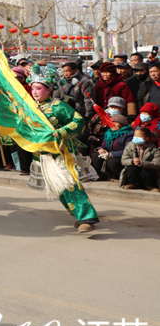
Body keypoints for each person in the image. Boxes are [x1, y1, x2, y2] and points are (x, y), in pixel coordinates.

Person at [24, 65, 100, 233]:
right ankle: (79, 215)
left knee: (70, 184)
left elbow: (79, 121)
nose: (34, 92)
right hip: (43, 155)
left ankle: (87, 217)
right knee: (58, 188)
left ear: (49, 89)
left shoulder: (57, 106)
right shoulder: (31, 109)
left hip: (61, 153)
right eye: (33, 88)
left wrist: (62, 131)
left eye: (39, 88)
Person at [92, 108, 133, 180]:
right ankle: (102, 177)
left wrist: (111, 154)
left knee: (112, 162)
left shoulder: (128, 135)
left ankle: (121, 177)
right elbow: (103, 145)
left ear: (122, 124)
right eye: (111, 122)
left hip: (121, 158)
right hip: (108, 155)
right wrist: (101, 149)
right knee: (95, 155)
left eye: (115, 123)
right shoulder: (109, 133)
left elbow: (127, 151)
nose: (112, 124)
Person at [120, 127, 160, 191]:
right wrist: (133, 161)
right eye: (135, 135)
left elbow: (157, 163)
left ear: (147, 138)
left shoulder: (154, 149)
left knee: (149, 171)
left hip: (146, 169)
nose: (136, 137)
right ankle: (133, 183)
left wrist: (142, 163)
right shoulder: (129, 146)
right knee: (131, 169)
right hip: (134, 167)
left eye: (139, 136)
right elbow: (124, 160)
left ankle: (149, 185)